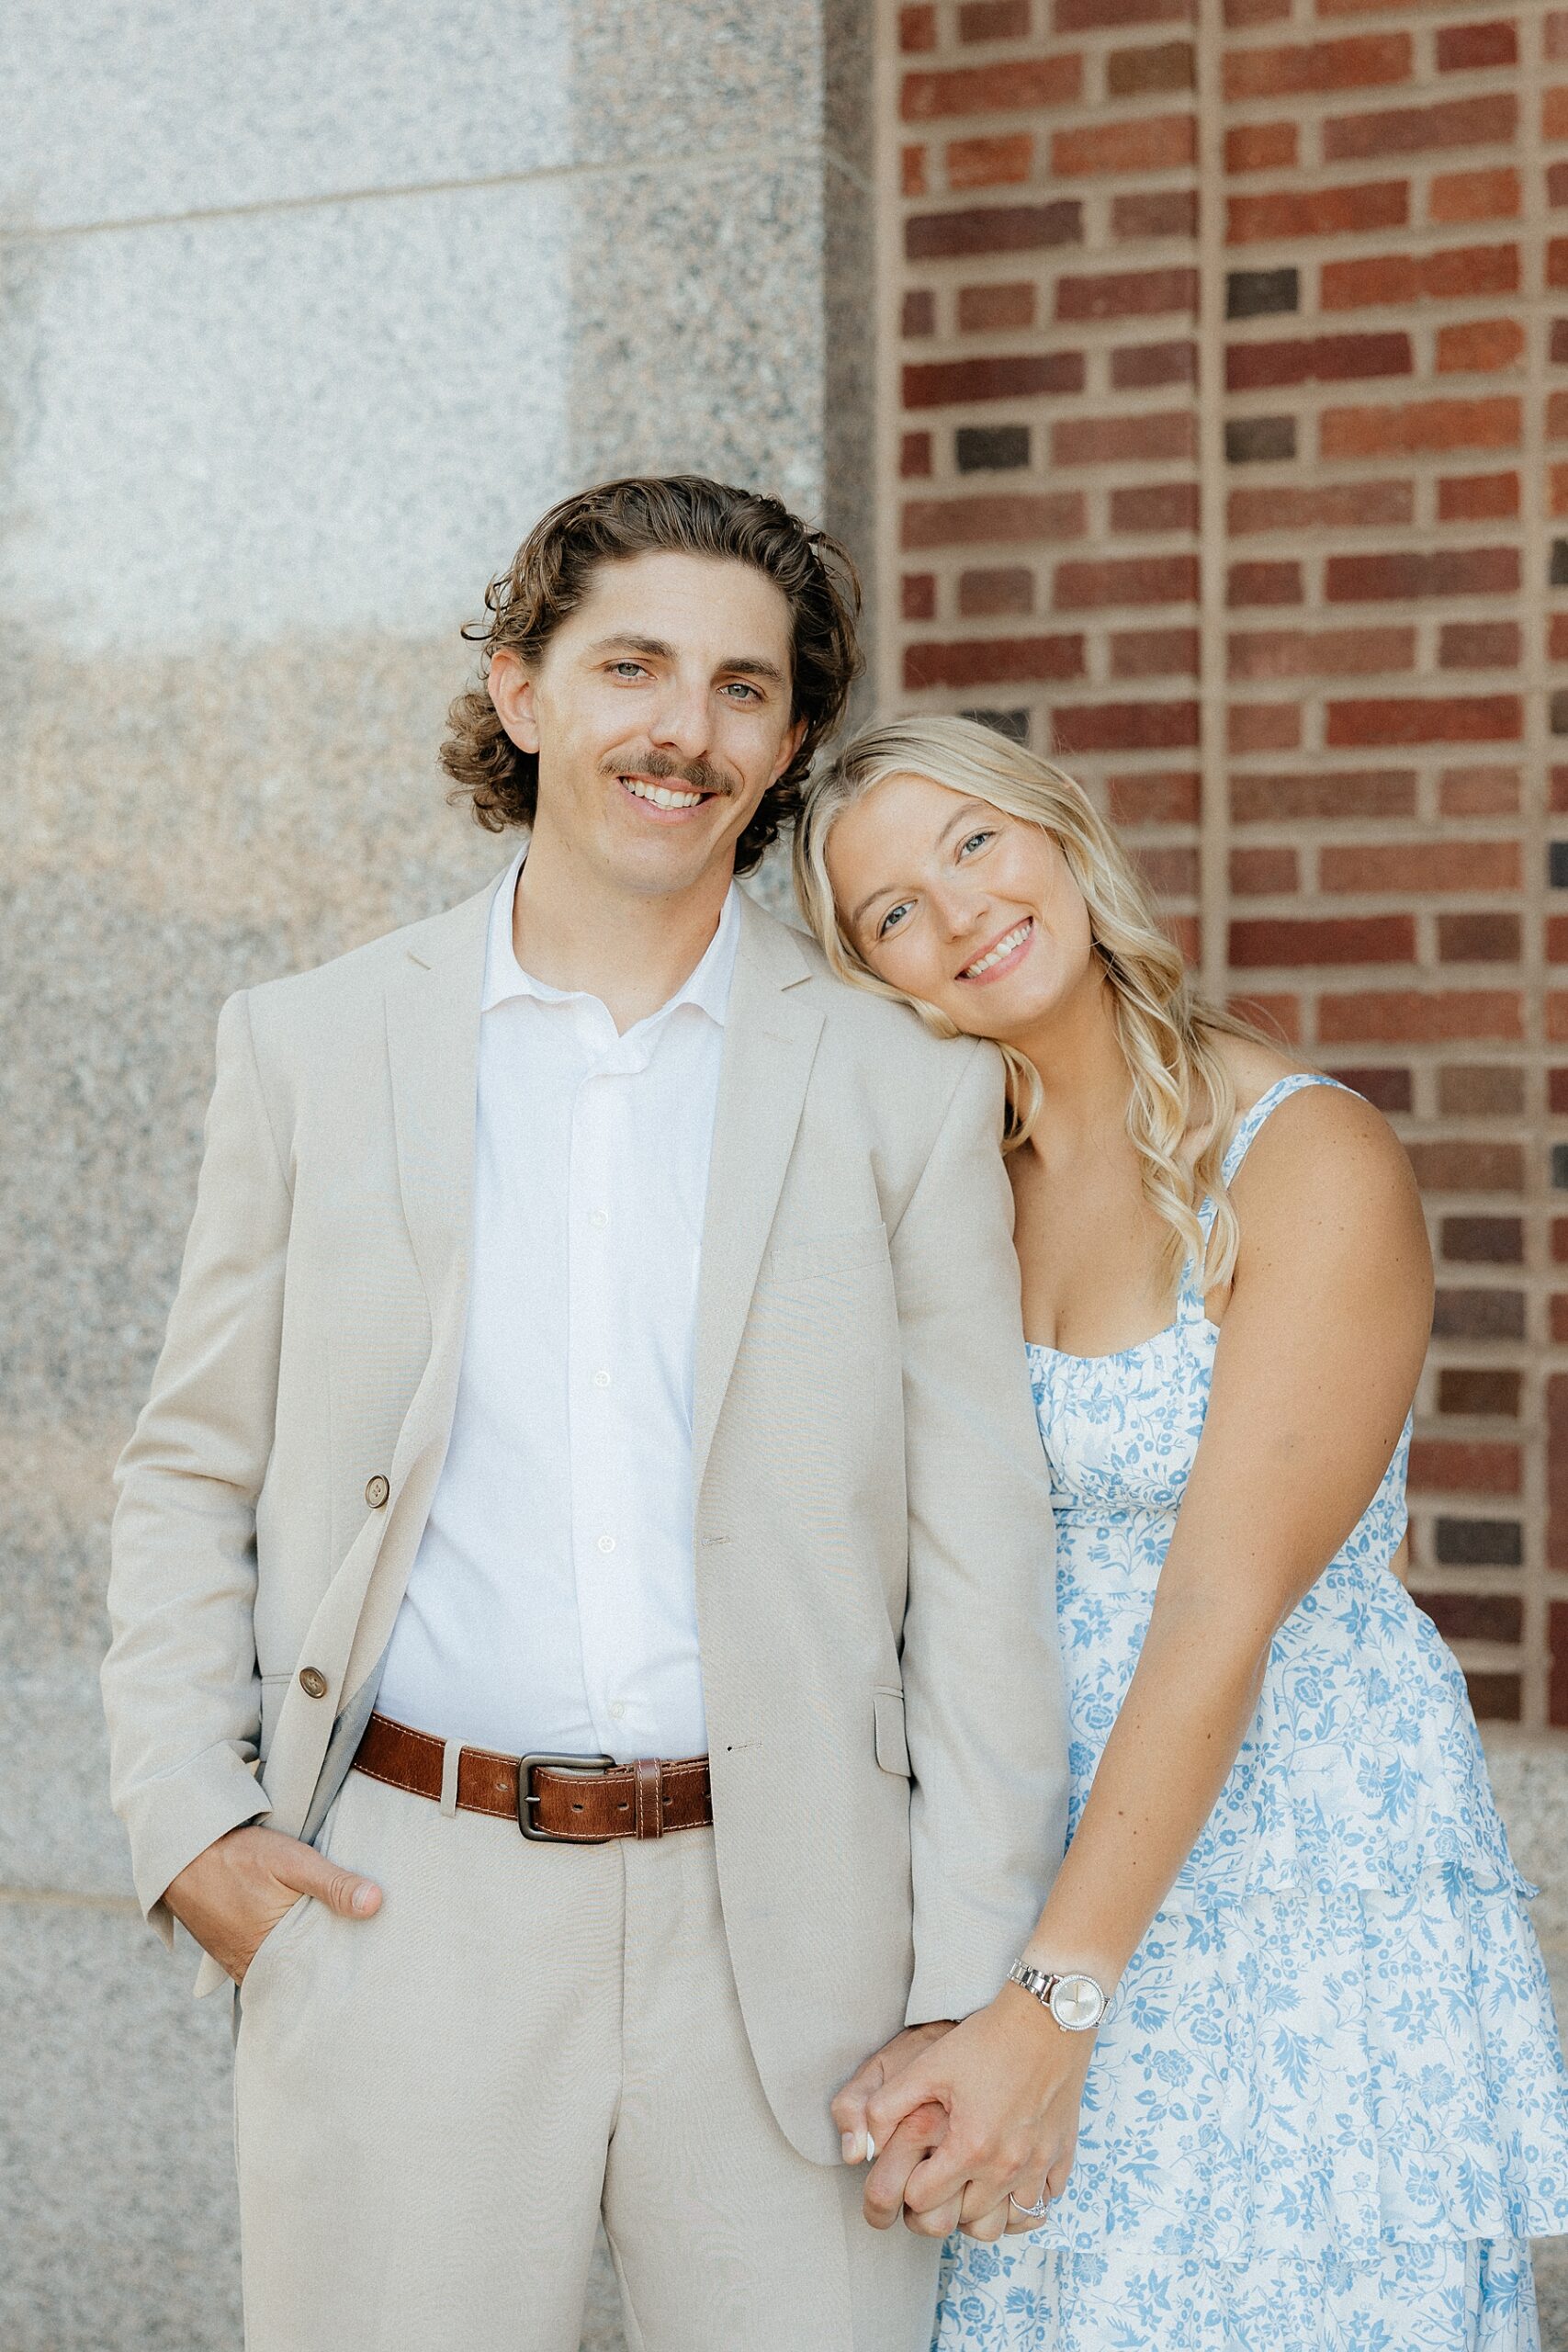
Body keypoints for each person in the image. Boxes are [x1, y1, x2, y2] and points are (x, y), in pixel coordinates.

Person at [101, 481, 1069, 2352]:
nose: (680, 730)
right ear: (521, 688)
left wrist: (968, 1981)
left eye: (738, 688)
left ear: (785, 739)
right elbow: (190, 1459)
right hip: (404, 1902)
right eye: (631, 665)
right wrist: (185, 1819)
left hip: (799, 1942)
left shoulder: (897, 1084)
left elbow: (979, 1557)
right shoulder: (306, 1042)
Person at [796, 712, 1568, 2352]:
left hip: (1285, 1884)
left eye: (974, 844)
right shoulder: (951, 1183)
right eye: (891, 913)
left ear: (1058, 833)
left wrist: (1051, 2004)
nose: (959, 914)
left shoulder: (1308, 1155)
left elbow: (1222, 1600)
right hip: (1023, 1859)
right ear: (875, 976)